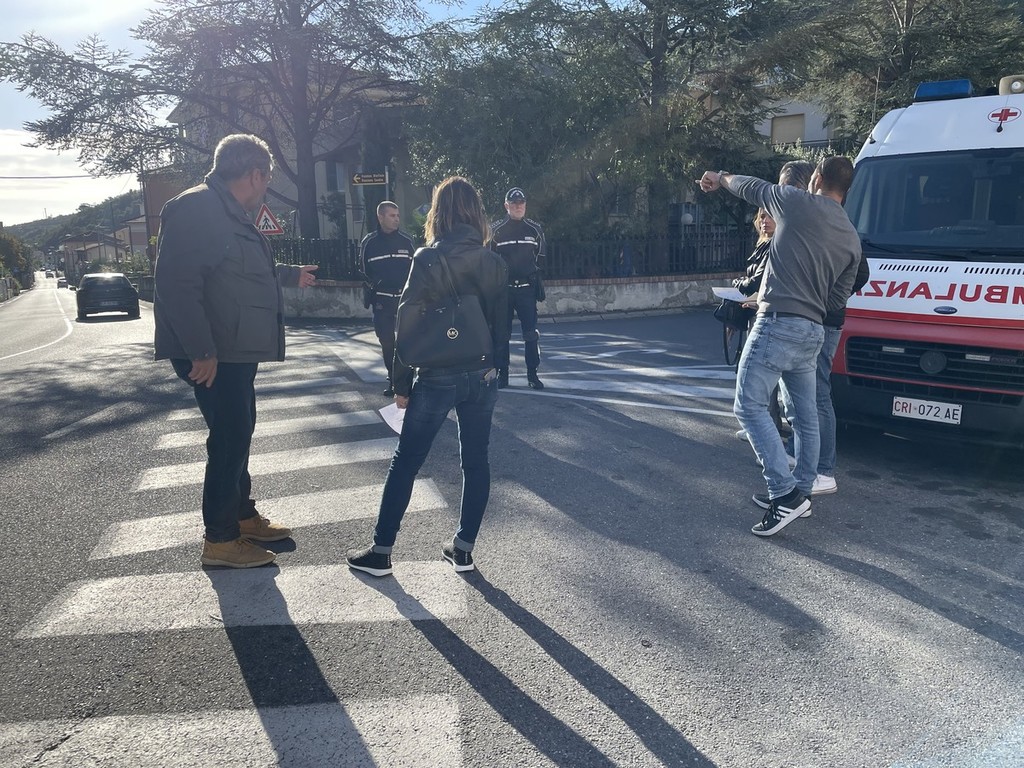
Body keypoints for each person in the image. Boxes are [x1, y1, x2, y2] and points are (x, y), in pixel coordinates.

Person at [154, 133, 317, 568]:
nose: (266, 188)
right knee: (228, 439)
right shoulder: (197, 207)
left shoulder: (224, 210)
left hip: (232, 350)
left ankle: (241, 516)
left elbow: (239, 270)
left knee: (238, 431)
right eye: (267, 179)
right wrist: (201, 350)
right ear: (255, 174)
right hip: (215, 353)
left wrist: (289, 274)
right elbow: (176, 284)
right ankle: (221, 540)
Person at [347, 176, 510, 576]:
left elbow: (407, 324)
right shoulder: (491, 260)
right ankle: (463, 550)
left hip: (437, 374)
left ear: (440, 213)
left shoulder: (426, 258)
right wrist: (496, 369)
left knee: (406, 461)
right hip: (481, 371)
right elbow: (502, 323)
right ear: (475, 213)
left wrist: (401, 384)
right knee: (476, 461)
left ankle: (382, 551)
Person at [698, 157, 860, 537]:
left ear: (817, 178)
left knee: (748, 405)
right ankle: (802, 492)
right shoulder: (851, 237)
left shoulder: (795, 202)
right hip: (814, 330)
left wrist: (720, 176)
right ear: (847, 188)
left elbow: (750, 187)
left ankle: (784, 493)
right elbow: (839, 297)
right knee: (805, 415)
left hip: (778, 322)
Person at [490, 187, 546, 389]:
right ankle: (502, 375)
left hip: (526, 290)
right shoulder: (495, 230)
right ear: (506, 206)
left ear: (525, 204)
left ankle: (532, 375)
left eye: (521, 203)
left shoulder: (534, 229)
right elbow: (489, 260)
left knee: (530, 334)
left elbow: (541, 258)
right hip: (503, 290)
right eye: (514, 203)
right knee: (501, 334)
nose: (518, 206)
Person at [360, 201, 415, 397]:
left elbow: (416, 269)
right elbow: (364, 270)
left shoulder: (407, 241)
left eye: (397, 215)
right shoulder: (369, 243)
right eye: (392, 215)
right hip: (382, 300)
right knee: (387, 342)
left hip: (404, 299)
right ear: (380, 217)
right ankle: (392, 380)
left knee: (405, 342)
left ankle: (406, 382)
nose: (396, 219)